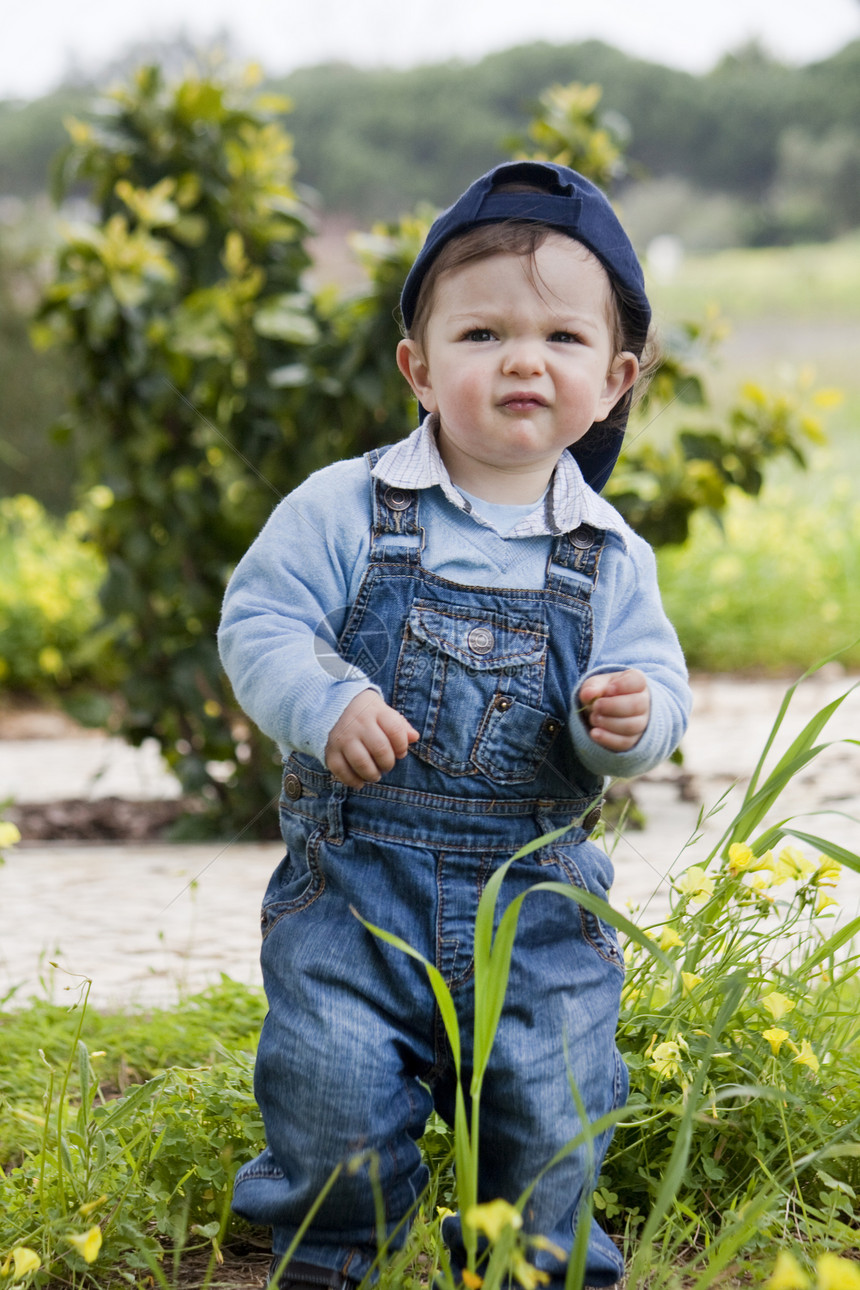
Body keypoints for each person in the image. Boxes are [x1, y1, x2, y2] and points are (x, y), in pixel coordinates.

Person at [218, 160, 692, 1290]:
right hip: (355, 892)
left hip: (537, 904)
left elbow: (655, 691)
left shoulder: (609, 554)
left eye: (561, 340)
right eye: (481, 333)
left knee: (556, 1106)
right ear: (418, 368)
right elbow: (261, 621)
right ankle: (334, 1257)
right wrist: (324, 698)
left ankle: (528, 1264)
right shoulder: (343, 509)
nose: (522, 359)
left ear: (614, 378)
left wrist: (626, 723)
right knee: (330, 1092)